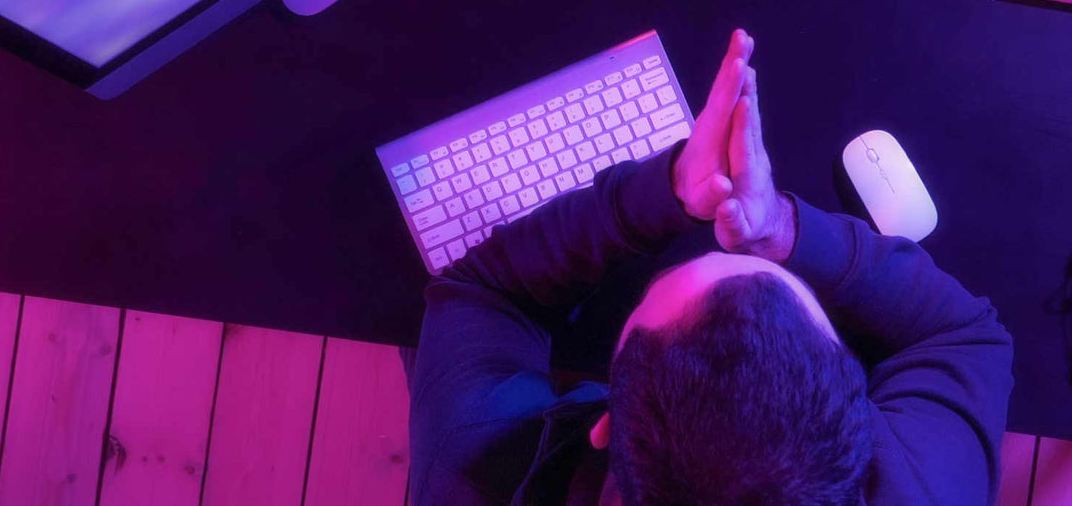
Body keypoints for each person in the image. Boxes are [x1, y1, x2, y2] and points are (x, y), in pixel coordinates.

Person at [409, 30, 1014, 506]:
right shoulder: (928, 489)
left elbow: (481, 290)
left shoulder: (472, 474)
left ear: (606, 429)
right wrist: (780, 229)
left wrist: (664, 193)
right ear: (862, 427)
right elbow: (964, 335)